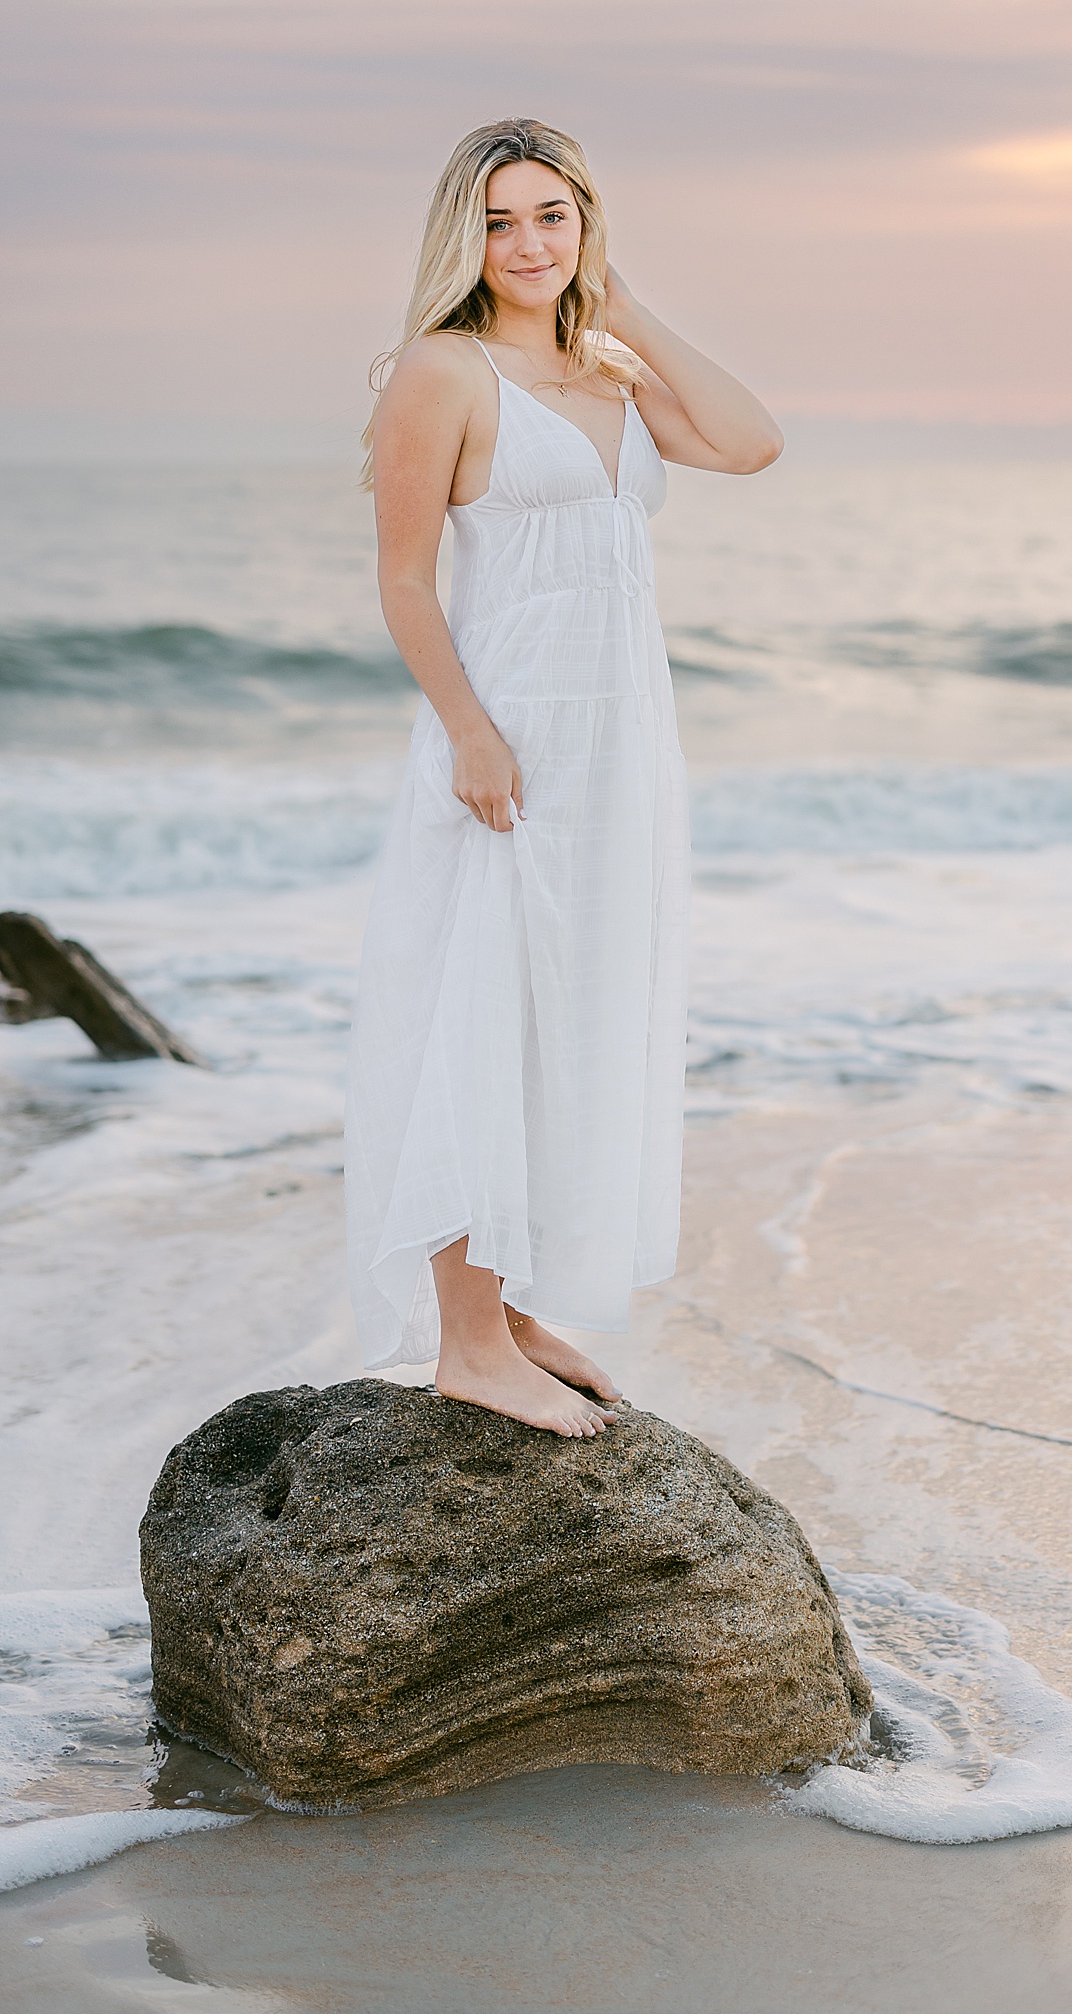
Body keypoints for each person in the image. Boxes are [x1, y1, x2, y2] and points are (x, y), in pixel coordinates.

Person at [343, 117, 781, 1436]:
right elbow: (406, 581)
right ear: (460, 237)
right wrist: (471, 732)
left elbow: (751, 440)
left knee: (571, 1019)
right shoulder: (443, 371)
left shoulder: (609, 370)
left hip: (621, 747)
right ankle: (466, 1343)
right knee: (482, 1011)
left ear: (585, 223)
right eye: (498, 221)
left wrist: (623, 302)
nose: (526, 244)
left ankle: (514, 1310)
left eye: (552, 216)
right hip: (512, 737)